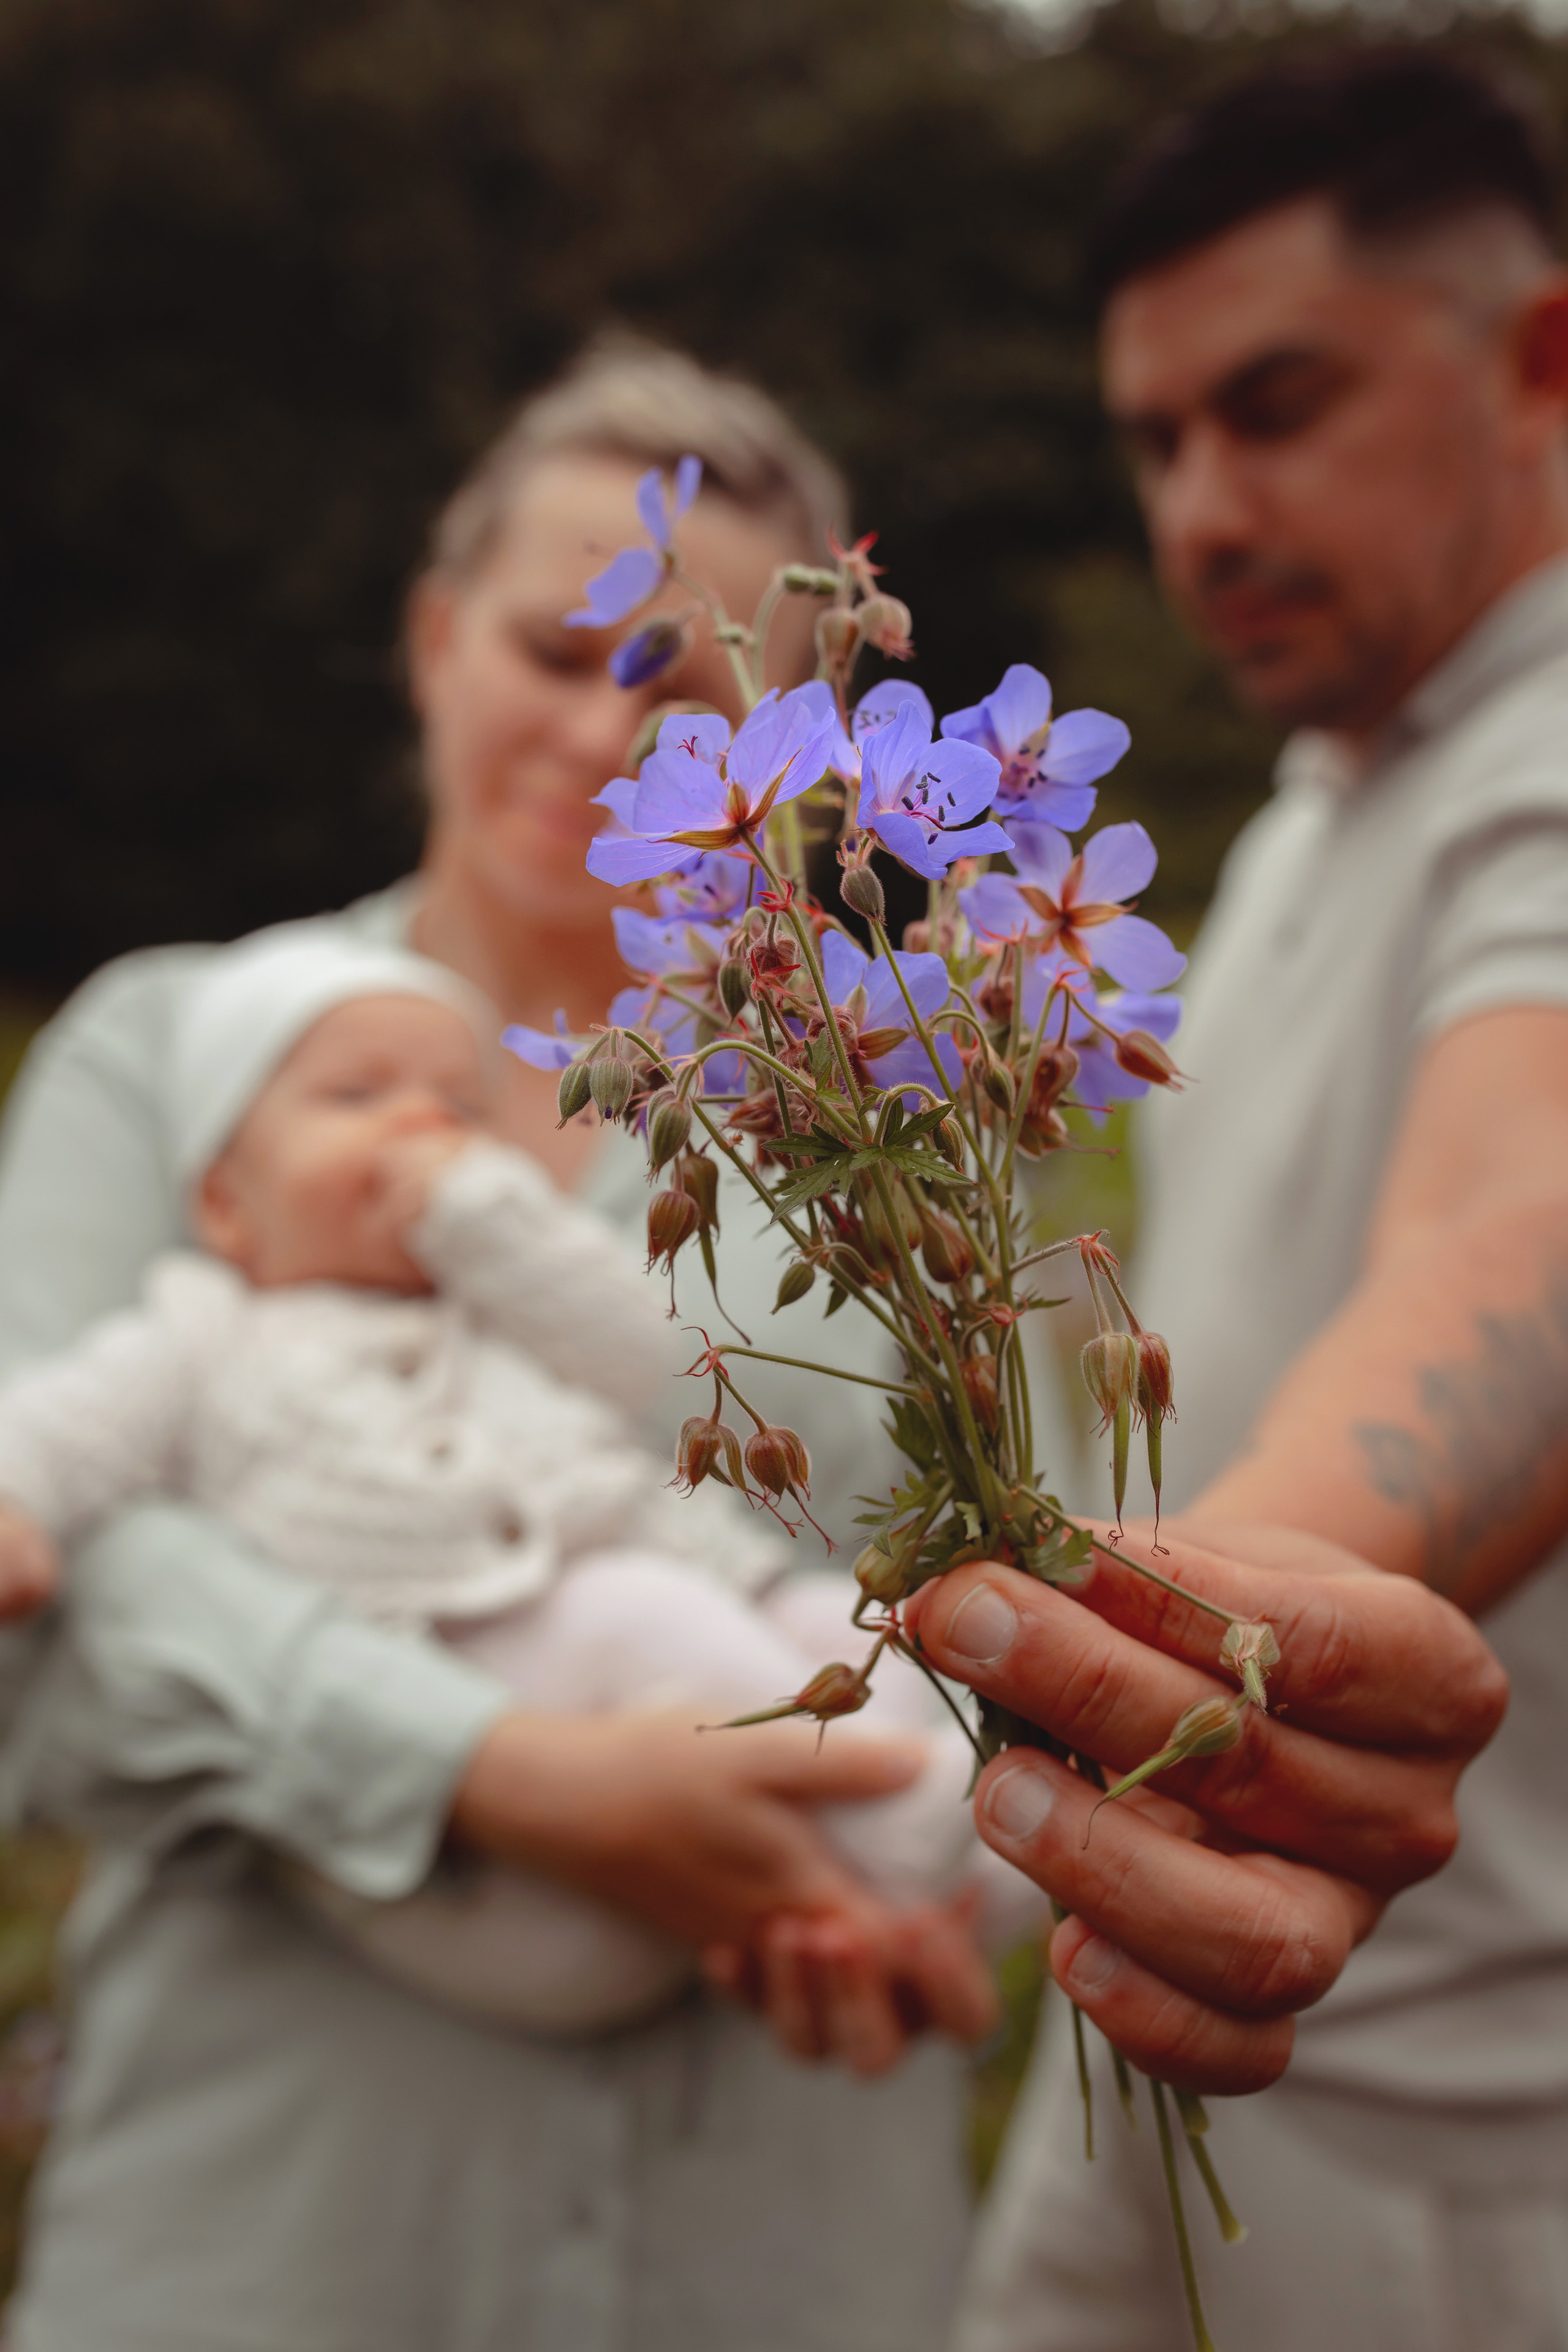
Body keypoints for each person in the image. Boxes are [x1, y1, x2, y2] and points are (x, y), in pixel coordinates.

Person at [0, 343, 1000, 2352]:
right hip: (284, 2245)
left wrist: (898, 1882)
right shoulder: (181, 1055)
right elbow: (50, 1605)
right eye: (558, 651)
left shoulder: (890, 1145)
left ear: (804, 754)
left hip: (780, 2242)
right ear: (433, 638)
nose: (602, 732)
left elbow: (961, 1612)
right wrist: (497, 1774)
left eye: (688, 698)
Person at [911, 47, 1568, 2352]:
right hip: (1165, 1979)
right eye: (1157, 440)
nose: (1202, 508)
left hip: (1476, 2148)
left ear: (1542, 356)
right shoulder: (1306, 815)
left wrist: (1236, 1618)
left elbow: (1528, 1227)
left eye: (1277, 406)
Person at [0, 930, 1031, 2032]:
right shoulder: (198, 1332)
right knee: (641, 1611)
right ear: (223, 1206)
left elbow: (640, 1356)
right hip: (481, 1830)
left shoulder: (500, 1308)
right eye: (357, 1094)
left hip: (643, 1824)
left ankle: (974, 1848)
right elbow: (72, 1425)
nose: (420, 1125)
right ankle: (918, 1830)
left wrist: (479, 1218)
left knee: (845, 1614)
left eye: (459, 1108)